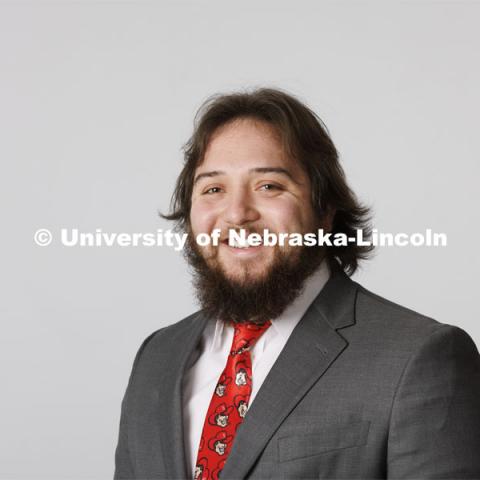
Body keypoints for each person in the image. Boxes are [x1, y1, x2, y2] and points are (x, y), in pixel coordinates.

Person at [114, 88, 480, 480]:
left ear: (324, 210)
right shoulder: (156, 357)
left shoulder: (421, 357)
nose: (237, 214)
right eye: (213, 189)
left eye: (269, 186)